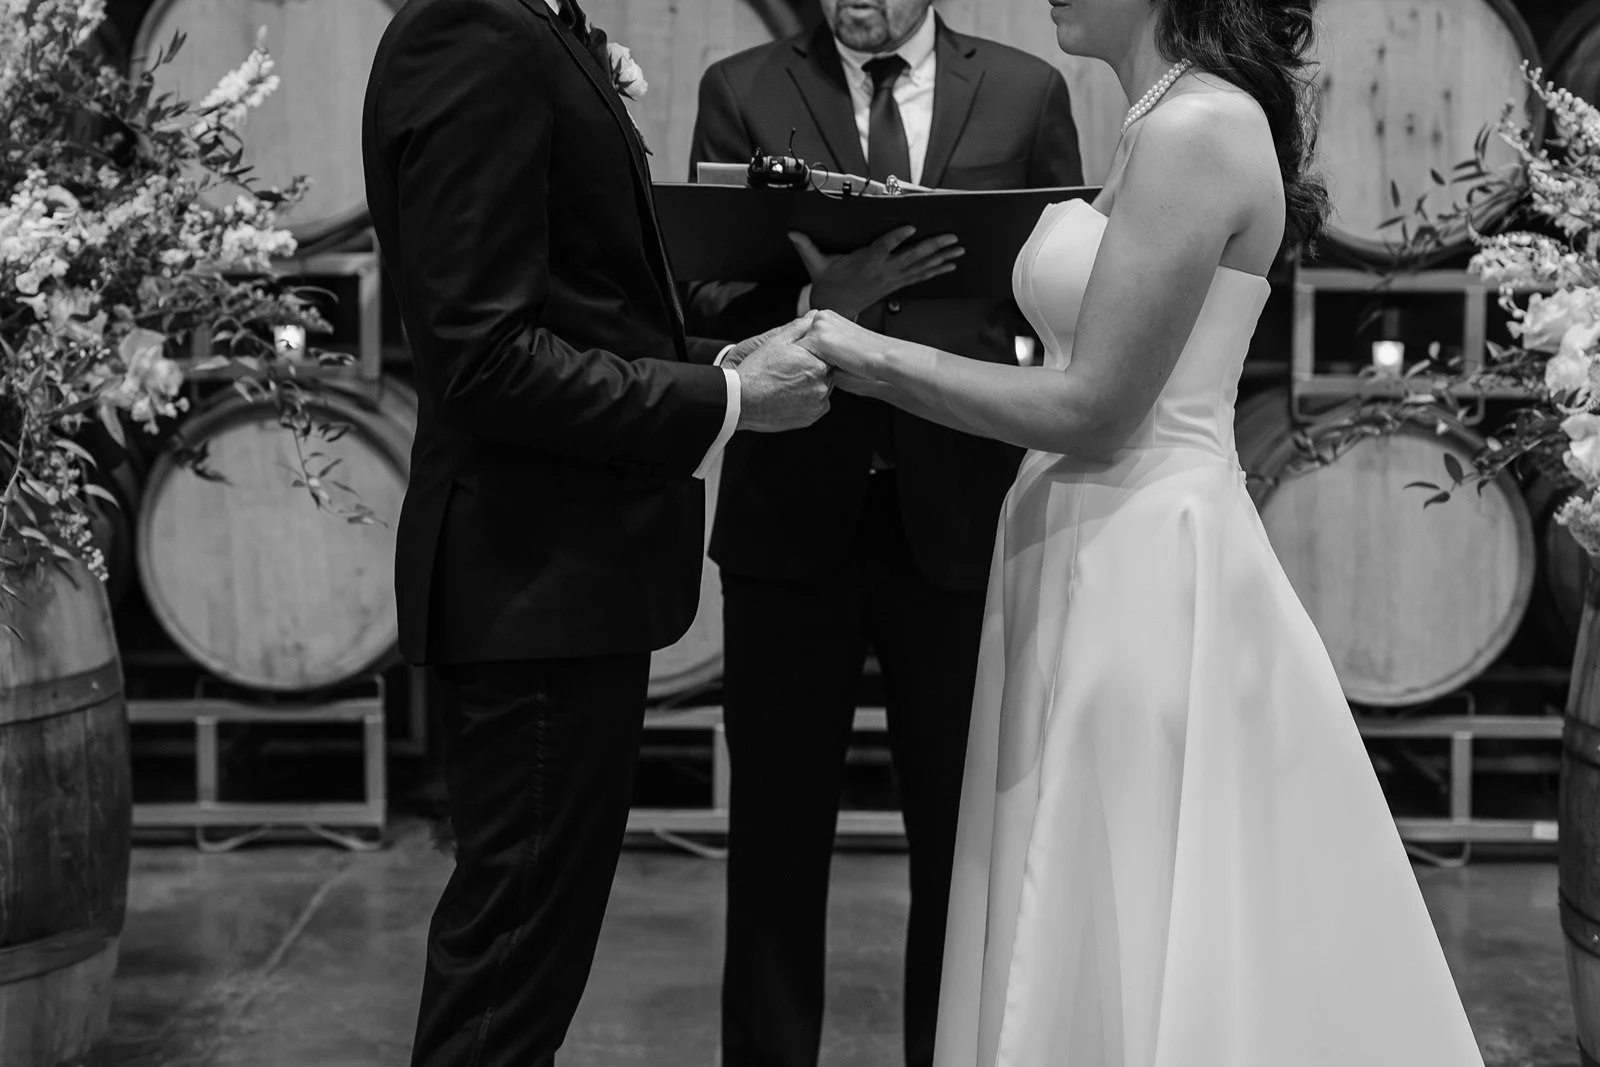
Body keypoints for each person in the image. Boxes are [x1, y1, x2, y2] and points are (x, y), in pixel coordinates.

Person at [795, 0, 1489, 1063]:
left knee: (1118, 881)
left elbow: (1096, 406)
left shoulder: (1194, 129)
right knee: (1070, 882)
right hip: (1080, 531)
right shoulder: (1152, 117)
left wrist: (867, 356)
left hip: (1140, 551)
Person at [360, 0, 831, 1061]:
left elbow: (585, 311)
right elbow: (483, 357)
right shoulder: (471, 35)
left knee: (529, 956)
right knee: (508, 977)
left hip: (564, 578)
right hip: (533, 579)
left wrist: (723, 359)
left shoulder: (533, 27)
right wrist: (727, 401)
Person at [685, 2, 1081, 1065]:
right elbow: (700, 291)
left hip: (955, 512)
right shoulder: (741, 87)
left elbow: (1061, 291)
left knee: (963, 850)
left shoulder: (1025, 90)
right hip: (788, 517)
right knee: (773, 839)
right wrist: (822, 296)